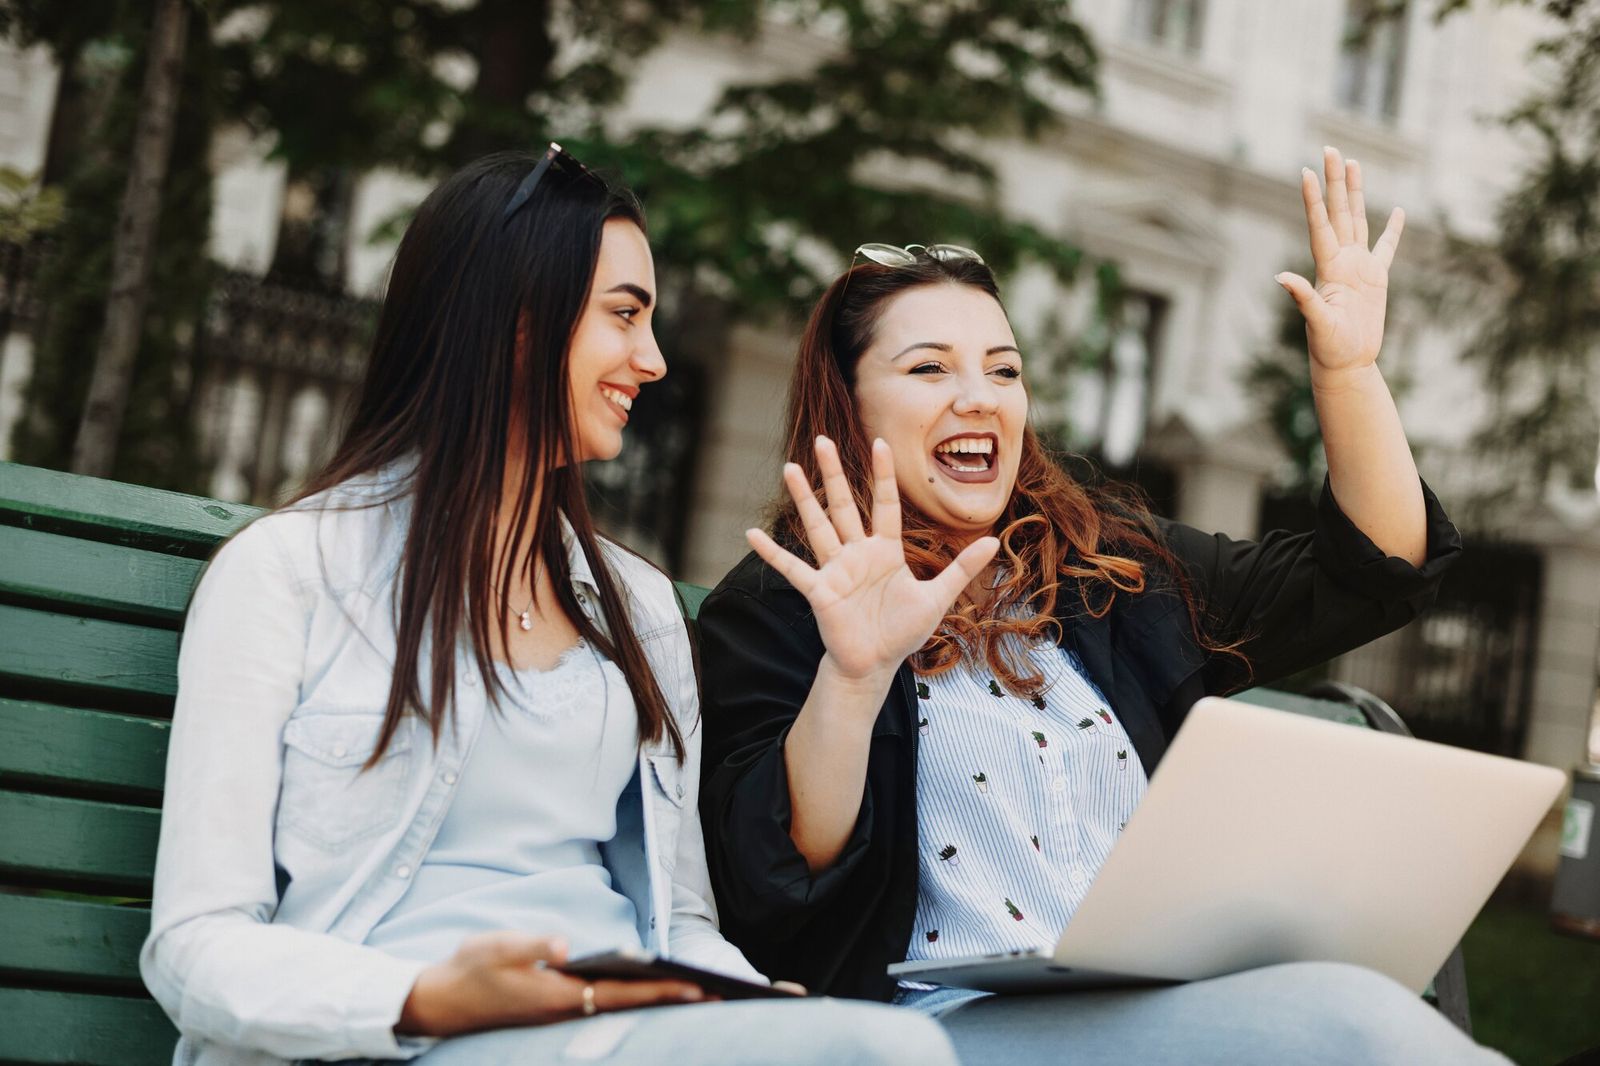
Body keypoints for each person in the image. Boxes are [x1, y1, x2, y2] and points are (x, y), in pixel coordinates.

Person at [140, 146, 957, 1066]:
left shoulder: (639, 610)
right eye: (624, 316)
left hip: (612, 1033)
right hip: (396, 1040)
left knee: (881, 1051)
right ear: (514, 320)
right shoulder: (286, 575)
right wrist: (429, 999)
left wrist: (747, 1006)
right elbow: (194, 946)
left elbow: (679, 920)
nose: (651, 360)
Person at [696, 147, 1508, 1065]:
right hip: (936, 1032)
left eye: (1004, 371)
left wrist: (1349, 370)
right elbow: (775, 883)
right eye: (929, 370)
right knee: (1349, 1021)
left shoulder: (1103, 568)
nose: (980, 397)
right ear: (847, 403)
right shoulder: (780, 605)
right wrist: (854, 674)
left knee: (1350, 1006)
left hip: (1152, 1011)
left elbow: (1376, 568)